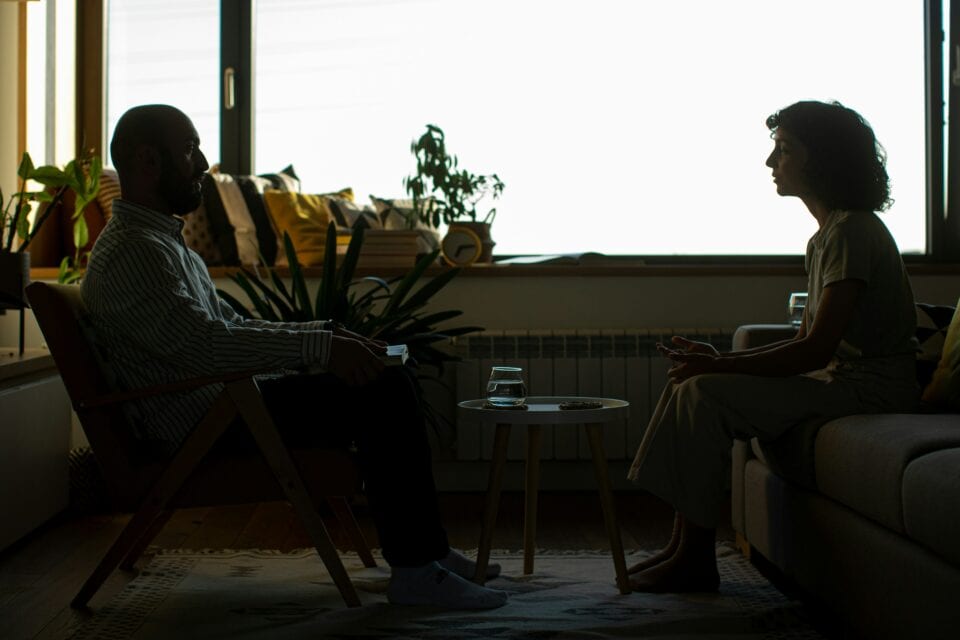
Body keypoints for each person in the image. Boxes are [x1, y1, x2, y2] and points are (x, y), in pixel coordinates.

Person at [81, 104, 508, 610]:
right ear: (148, 161)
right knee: (384, 386)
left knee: (383, 371)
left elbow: (232, 327)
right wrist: (323, 349)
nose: (203, 163)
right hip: (210, 427)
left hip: (229, 408)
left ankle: (426, 553)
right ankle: (416, 570)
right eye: (191, 149)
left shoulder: (162, 244)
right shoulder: (134, 251)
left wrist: (330, 335)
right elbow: (206, 346)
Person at [625, 100, 919, 593]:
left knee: (704, 391)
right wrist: (717, 361)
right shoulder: (826, 236)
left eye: (783, 150)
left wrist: (719, 366)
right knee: (694, 382)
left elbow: (814, 350)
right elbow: (806, 341)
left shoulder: (853, 231)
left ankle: (695, 559)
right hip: (839, 382)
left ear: (820, 158)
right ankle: (682, 548)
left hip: (872, 390)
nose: (770, 162)